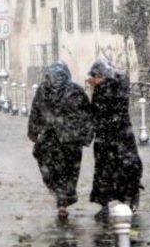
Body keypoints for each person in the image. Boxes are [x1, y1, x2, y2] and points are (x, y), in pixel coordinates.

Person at [28, 61, 93, 220]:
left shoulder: (45, 90)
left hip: (56, 140)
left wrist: (33, 132)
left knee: (55, 171)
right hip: (69, 141)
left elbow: (35, 112)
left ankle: (61, 197)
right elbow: (87, 115)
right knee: (69, 172)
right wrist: (86, 136)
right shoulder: (75, 90)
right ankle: (64, 198)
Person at [87, 58, 143, 218]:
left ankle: (131, 196)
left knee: (127, 166)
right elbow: (95, 111)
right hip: (104, 136)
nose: (94, 79)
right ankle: (105, 203)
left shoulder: (116, 86)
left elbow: (112, 107)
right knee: (104, 171)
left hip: (120, 135)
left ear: (103, 75)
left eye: (96, 76)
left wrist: (101, 84)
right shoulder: (101, 88)